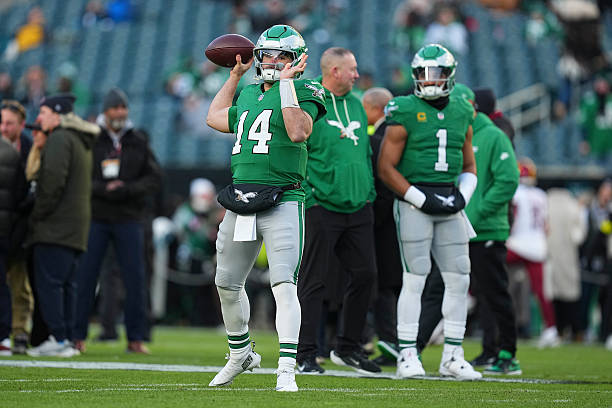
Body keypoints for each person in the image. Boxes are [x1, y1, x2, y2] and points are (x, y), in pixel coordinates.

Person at [205, 24, 326, 392]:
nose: (274, 62)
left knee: (283, 285)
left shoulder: (306, 89)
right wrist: (234, 77)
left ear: (297, 60)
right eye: (269, 54)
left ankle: (286, 369)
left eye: (282, 56)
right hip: (243, 198)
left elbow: (298, 131)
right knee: (226, 282)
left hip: (284, 198)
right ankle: (240, 353)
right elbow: (214, 117)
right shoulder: (248, 92)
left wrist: (288, 83)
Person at [378, 44, 481, 380]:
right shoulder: (404, 108)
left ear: (450, 75)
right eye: (423, 73)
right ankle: (407, 354)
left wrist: (462, 195)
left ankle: (453, 354)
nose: (429, 79)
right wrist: (420, 199)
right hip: (414, 202)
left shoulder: (462, 109)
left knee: (459, 278)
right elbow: (386, 167)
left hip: (449, 200)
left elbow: (469, 164)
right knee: (415, 277)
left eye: (436, 73)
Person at [415, 84, 522, 375]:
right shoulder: (454, 136)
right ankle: (413, 349)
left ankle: (507, 353)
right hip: (457, 227)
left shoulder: (494, 136)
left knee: (494, 293)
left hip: (486, 231)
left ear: (469, 107)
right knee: (439, 287)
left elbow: (508, 179)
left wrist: (478, 211)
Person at [296, 47, 380, 376]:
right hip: (321, 204)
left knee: (365, 275)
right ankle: (304, 354)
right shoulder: (312, 101)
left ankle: (347, 348)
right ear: (333, 71)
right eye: (352, 69)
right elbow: (298, 147)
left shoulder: (358, 104)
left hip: (358, 205)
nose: (357, 75)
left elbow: (361, 155)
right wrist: (309, 194)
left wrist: (369, 192)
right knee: (314, 281)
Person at [73, 87, 162, 354]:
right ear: (105, 111)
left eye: (124, 108)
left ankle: (135, 338)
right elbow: (79, 176)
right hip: (97, 216)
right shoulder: (91, 138)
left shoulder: (136, 140)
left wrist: (127, 189)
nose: (121, 113)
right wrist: (102, 189)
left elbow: (154, 178)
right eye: (116, 108)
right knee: (86, 276)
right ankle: (77, 336)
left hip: (128, 216)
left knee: (135, 278)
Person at [25, 93, 100, 357]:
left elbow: (52, 183)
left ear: (57, 115)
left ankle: (57, 339)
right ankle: (66, 338)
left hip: (55, 227)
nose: (39, 118)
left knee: (51, 286)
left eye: (43, 113)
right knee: (67, 286)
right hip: (75, 228)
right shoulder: (79, 140)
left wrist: (37, 214)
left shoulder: (59, 138)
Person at [362, 87, 402, 366]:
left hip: (384, 219)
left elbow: (382, 183)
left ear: (376, 109)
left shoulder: (380, 136)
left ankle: (389, 340)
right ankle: (396, 341)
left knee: (381, 283)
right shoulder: (402, 131)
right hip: (406, 212)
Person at [506, 157, 559, 348]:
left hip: (517, 244)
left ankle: (470, 294)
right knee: (540, 291)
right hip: (537, 246)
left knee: (486, 261)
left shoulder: (517, 193)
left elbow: (513, 219)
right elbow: (546, 226)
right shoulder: (541, 195)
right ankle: (551, 328)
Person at [0, 99, 33, 354]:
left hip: (21, 225)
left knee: (20, 284)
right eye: (2, 122)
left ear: (21, 125)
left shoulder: (31, 148)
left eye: (9, 123)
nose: (4, 128)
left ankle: (20, 331)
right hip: (3, 224)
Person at [546, 187, 587, 341]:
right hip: (569, 258)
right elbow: (579, 236)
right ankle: (575, 331)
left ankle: (558, 329)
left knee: (554, 295)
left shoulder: (546, 204)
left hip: (550, 257)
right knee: (570, 296)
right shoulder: (573, 206)